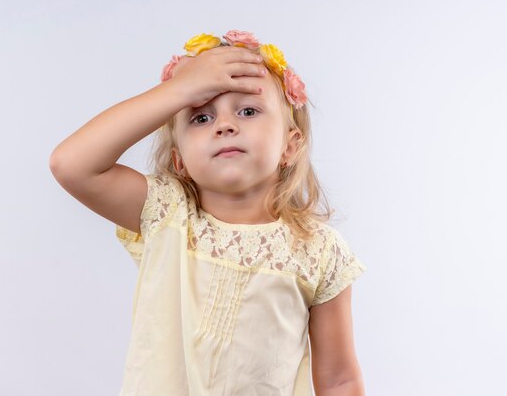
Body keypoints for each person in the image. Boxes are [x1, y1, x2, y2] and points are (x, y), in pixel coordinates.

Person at [49, 29, 368, 396]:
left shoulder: (317, 249)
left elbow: (340, 380)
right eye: (201, 118)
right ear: (179, 160)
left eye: (248, 111)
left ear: (290, 145)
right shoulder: (167, 215)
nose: (225, 125)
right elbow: (71, 164)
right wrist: (180, 91)